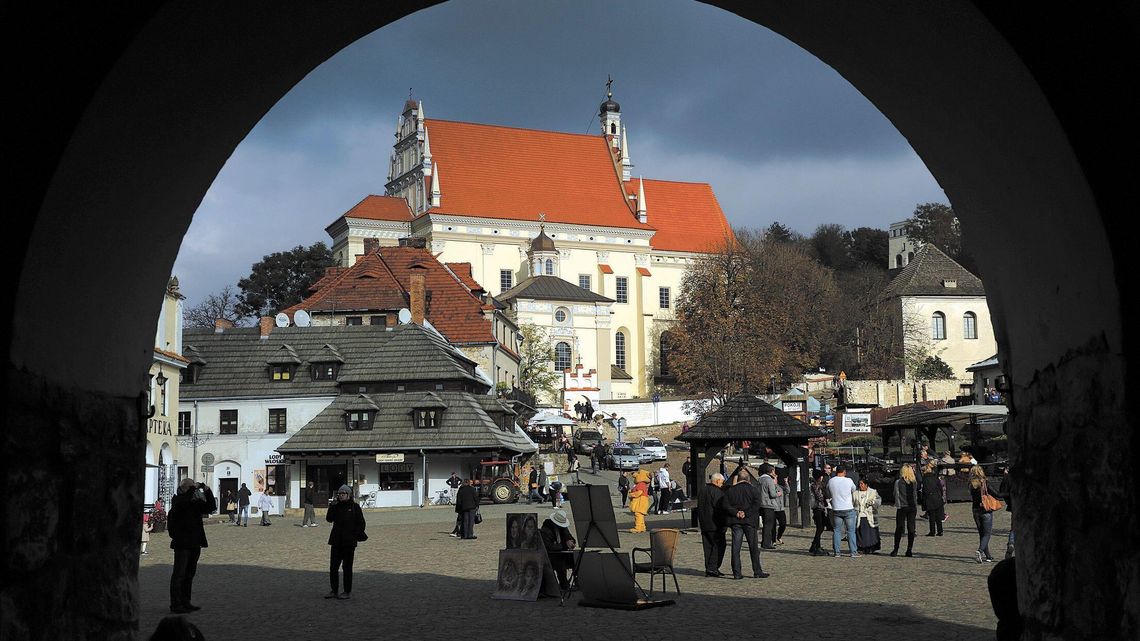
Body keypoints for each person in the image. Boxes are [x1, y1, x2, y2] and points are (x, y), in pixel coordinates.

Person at [167, 478, 216, 613]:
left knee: (189, 574)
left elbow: (211, 507)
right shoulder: (178, 500)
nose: (193, 490)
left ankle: (186, 601)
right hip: (182, 544)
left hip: (195, 542)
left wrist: (206, 490)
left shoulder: (194, 503)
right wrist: (194, 488)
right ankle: (175, 604)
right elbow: (184, 500)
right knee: (179, 574)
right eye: (190, 487)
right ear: (184, 489)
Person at [325, 484, 366, 599]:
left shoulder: (354, 507)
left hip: (349, 543)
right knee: (333, 567)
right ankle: (334, 590)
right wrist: (331, 506)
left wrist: (354, 535)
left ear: (349, 495)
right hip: (336, 541)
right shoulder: (336, 506)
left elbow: (361, 524)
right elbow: (329, 519)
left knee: (347, 568)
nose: (341, 495)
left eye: (343, 493)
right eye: (339, 494)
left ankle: (347, 591)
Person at [698, 473, 743, 576]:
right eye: (722, 482)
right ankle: (713, 568)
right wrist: (726, 522)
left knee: (708, 547)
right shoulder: (717, 492)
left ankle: (709, 568)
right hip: (715, 524)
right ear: (718, 481)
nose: (722, 484)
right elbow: (721, 508)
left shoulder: (703, 490)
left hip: (704, 523)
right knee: (719, 546)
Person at [725, 471, 768, 579]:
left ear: (738, 479)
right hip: (750, 521)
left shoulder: (731, 490)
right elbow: (756, 504)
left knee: (736, 548)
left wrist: (736, 512)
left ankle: (737, 573)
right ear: (748, 479)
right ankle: (757, 571)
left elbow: (725, 505)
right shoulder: (753, 490)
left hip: (736, 521)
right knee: (753, 548)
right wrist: (746, 513)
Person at [970, 465, 1002, 563]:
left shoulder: (971, 484)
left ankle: (988, 556)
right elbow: (997, 494)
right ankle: (980, 551)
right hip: (985, 510)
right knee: (987, 534)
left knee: (982, 534)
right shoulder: (985, 483)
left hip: (975, 510)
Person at [539, 510, 577, 590]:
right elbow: (549, 547)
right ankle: (564, 585)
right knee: (560, 563)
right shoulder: (546, 531)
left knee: (576, 558)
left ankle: (577, 582)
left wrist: (570, 541)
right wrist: (564, 546)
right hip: (551, 555)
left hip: (561, 553)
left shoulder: (563, 528)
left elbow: (569, 536)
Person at [828, 465, 859, 558]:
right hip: (848, 507)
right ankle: (853, 552)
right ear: (844, 472)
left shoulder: (831, 481)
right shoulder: (849, 480)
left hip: (836, 508)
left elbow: (827, 490)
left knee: (837, 530)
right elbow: (854, 489)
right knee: (851, 531)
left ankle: (837, 552)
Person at [891, 464, 919, 557]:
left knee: (899, 528)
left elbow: (895, 494)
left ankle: (896, 549)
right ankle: (909, 549)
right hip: (912, 507)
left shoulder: (898, 482)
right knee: (911, 528)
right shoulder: (914, 482)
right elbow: (915, 494)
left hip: (902, 507)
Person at [852, 477, 882, 554]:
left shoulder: (873, 492)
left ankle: (872, 548)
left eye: (862, 484)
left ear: (866, 485)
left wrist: (873, 502)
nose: (860, 485)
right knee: (860, 533)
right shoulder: (855, 493)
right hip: (859, 516)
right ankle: (861, 548)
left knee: (871, 533)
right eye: (859, 484)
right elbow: (852, 504)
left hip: (870, 516)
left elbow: (878, 501)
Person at [758, 464, 782, 549]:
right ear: (771, 471)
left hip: (760, 504)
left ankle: (764, 542)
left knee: (765, 525)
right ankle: (767, 543)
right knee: (769, 525)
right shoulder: (769, 480)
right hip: (768, 505)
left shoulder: (759, 479)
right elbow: (772, 494)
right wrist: (778, 494)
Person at [808, 470, 831, 556]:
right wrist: (826, 498)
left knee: (821, 527)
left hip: (821, 508)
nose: (822, 478)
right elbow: (819, 497)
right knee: (819, 528)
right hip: (818, 508)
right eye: (821, 476)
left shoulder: (818, 485)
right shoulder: (814, 485)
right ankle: (817, 547)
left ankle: (814, 545)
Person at [921, 462, 947, 536]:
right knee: (938, 516)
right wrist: (940, 495)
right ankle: (940, 531)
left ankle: (932, 531)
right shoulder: (935, 477)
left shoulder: (925, 479)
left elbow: (925, 490)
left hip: (930, 499)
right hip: (937, 498)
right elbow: (940, 487)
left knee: (932, 517)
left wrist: (923, 500)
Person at [773, 468, 790, 545]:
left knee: (783, 524)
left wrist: (786, 482)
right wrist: (776, 494)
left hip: (781, 508)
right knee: (773, 525)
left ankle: (779, 536)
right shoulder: (770, 486)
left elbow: (788, 491)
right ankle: (773, 540)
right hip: (773, 508)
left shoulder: (780, 486)